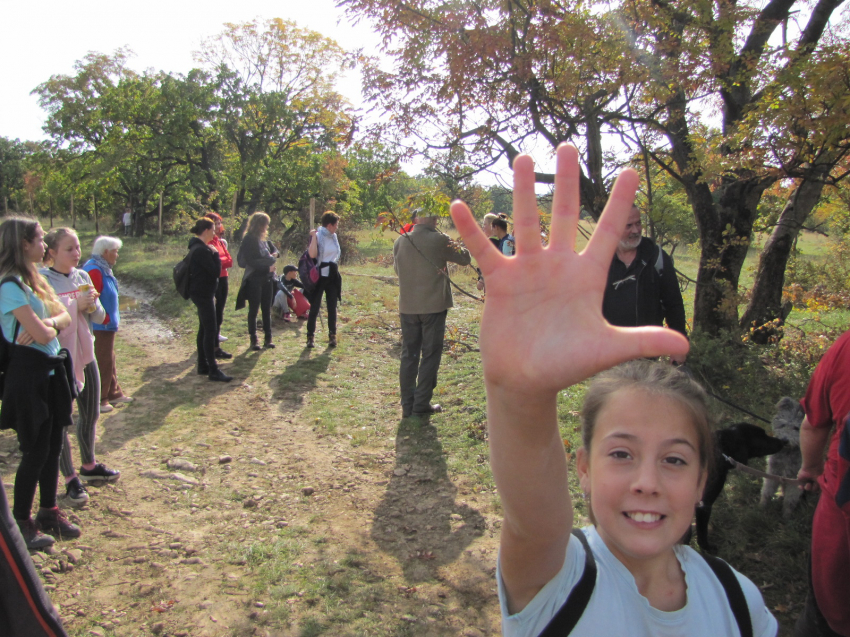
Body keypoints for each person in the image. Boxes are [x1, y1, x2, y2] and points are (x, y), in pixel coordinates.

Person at [449, 144, 776, 637]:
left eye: (675, 459)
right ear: (582, 466)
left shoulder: (739, 603)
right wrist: (520, 392)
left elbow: (670, 300)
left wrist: (675, 341)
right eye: (620, 453)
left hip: (652, 358)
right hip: (603, 361)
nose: (646, 481)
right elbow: (533, 520)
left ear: (705, 477)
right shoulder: (558, 583)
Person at [0, 217, 80, 549]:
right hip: (28, 375)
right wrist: (50, 325)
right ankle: (22, 521)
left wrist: (47, 324)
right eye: (39, 239)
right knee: (34, 450)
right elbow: (50, 329)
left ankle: (49, 510)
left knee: (53, 446)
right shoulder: (9, 286)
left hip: (50, 369)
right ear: (23, 244)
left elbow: (61, 318)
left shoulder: (36, 280)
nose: (44, 246)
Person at [42, 228, 120, 506]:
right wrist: (75, 302)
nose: (76, 254)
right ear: (51, 252)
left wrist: (92, 305)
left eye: (78, 248)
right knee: (62, 420)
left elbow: (99, 315)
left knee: (91, 412)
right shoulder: (43, 280)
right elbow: (48, 315)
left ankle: (89, 465)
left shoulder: (83, 276)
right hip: (60, 358)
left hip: (86, 353)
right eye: (69, 249)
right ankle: (69, 478)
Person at [794, 330, 850, 637]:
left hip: (841, 513)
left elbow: (814, 425)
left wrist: (810, 468)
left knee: (822, 620)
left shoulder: (846, 347)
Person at [393, 212, 471, 418]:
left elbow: (397, 269)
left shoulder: (401, 240)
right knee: (430, 355)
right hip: (433, 307)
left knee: (409, 355)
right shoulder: (439, 239)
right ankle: (421, 403)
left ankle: (407, 405)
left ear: (415, 220)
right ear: (435, 220)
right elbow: (465, 258)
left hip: (408, 306)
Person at [601, 204, 687, 363]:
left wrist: (678, 345)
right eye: (628, 226)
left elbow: (673, 304)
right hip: (608, 355)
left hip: (646, 356)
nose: (635, 230)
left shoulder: (656, 257)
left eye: (638, 223)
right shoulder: (600, 259)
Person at [82, 236, 133, 413]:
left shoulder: (104, 268)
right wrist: (102, 319)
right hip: (100, 324)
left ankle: (114, 392)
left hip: (108, 323)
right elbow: (91, 300)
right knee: (102, 360)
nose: (117, 256)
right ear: (105, 252)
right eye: (115, 252)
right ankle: (100, 398)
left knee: (109, 358)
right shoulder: (94, 270)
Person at [187, 218, 232, 382]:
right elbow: (215, 271)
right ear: (205, 230)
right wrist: (215, 255)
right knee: (210, 330)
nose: (215, 233)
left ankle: (202, 365)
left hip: (202, 293)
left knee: (204, 329)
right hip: (203, 294)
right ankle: (213, 369)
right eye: (213, 230)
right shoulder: (201, 250)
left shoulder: (197, 247)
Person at [235, 212, 278, 351]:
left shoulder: (263, 239)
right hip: (255, 278)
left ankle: (268, 338)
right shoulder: (249, 239)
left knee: (266, 308)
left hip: (268, 278)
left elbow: (275, 250)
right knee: (254, 309)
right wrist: (268, 265)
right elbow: (250, 261)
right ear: (259, 224)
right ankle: (254, 339)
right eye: (265, 224)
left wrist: (273, 255)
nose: (267, 227)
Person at [306, 212, 343, 349]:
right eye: (336, 224)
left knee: (332, 306)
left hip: (332, 275)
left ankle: (332, 336)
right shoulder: (318, 235)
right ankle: (310, 336)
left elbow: (336, 254)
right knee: (314, 307)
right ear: (329, 225)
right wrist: (314, 237)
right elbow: (312, 254)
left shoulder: (334, 237)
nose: (337, 227)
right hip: (319, 275)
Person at [204, 212, 233, 359]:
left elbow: (229, 261)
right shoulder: (207, 242)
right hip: (212, 279)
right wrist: (221, 262)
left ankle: (215, 344)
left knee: (220, 312)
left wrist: (220, 261)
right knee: (211, 314)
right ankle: (211, 346)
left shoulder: (220, 242)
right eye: (214, 223)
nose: (217, 226)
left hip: (223, 278)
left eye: (218, 223)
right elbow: (214, 263)